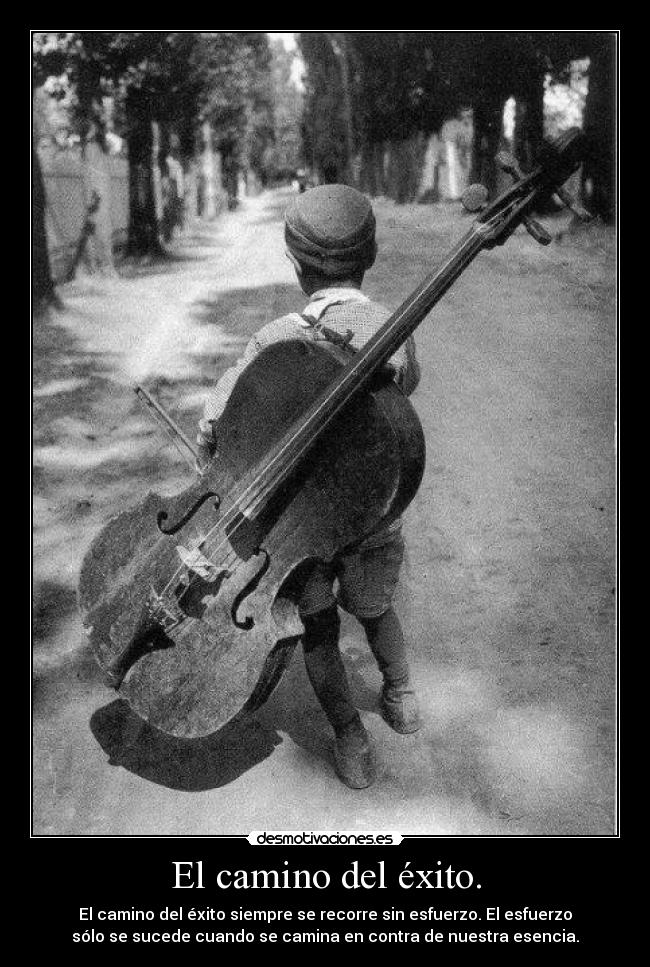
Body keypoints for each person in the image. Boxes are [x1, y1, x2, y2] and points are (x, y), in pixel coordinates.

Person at [196, 184, 422, 790]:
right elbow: (405, 399)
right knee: (376, 610)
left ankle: (350, 736)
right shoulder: (395, 330)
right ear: (368, 257)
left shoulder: (275, 339)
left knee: (319, 629)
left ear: (296, 265)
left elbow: (217, 421)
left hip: (300, 525)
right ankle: (399, 694)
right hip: (374, 511)